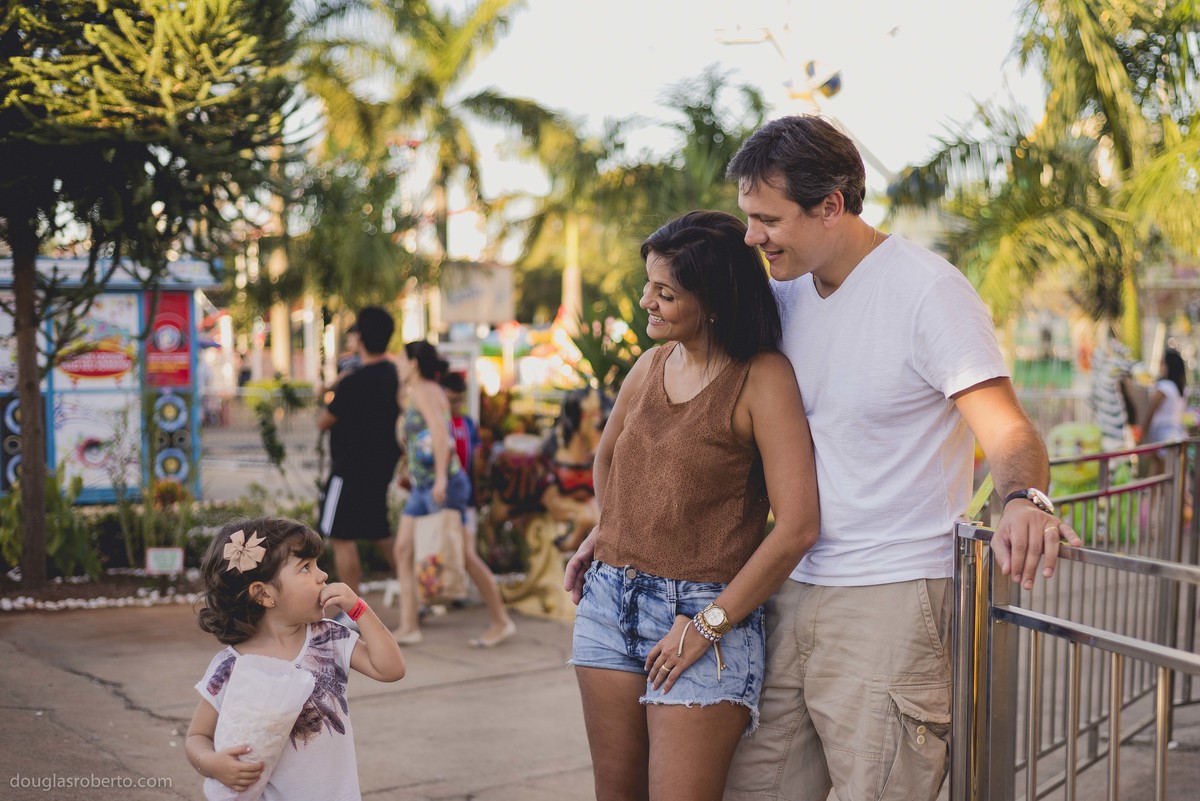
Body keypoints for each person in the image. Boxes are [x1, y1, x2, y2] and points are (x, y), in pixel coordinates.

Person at [710, 114, 1082, 801]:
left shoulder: (926, 292)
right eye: (749, 217)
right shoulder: (783, 291)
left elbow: (1007, 430)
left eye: (767, 218)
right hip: (791, 583)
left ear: (831, 205)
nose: (753, 235)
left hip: (892, 596)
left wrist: (1025, 501)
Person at [563, 210, 821, 801]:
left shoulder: (761, 379)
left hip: (704, 614)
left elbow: (797, 527)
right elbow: (609, 461)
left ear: (712, 300)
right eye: (648, 285)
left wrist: (709, 624)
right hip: (608, 605)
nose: (646, 301)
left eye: (665, 292)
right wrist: (610, 532)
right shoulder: (650, 365)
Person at [185, 517, 405, 799]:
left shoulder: (329, 639)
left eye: (316, 564)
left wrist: (359, 610)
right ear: (263, 594)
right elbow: (197, 737)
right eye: (305, 568)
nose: (322, 575)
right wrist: (212, 764)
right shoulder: (231, 667)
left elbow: (391, 669)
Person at [392, 340, 516, 647]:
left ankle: (501, 621)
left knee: (465, 556)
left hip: (441, 486)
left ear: (414, 364)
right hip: (426, 486)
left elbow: (439, 432)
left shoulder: (424, 391)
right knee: (402, 550)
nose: (397, 364)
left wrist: (439, 483)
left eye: (401, 360)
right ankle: (409, 625)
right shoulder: (420, 391)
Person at [316, 306, 402, 599]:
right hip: (381, 466)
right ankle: (420, 595)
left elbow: (324, 421)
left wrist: (334, 388)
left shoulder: (353, 382)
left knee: (341, 536)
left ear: (361, 336)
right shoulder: (392, 374)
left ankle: (351, 611)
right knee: (381, 533)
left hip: (349, 468)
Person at [539, 387, 604, 553]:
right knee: (588, 517)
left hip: (585, 505)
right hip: (558, 504)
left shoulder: (593, 453)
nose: (596, 423)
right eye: (592, 417)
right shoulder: (556, 453)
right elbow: (551, 500)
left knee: (597, 519)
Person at [439, 371, 483, 532]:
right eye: (452, 401)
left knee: (466, 541)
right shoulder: (439, 423)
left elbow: (476, 460)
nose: (456, 405)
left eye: (460, 400)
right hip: (445, 495)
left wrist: (476, 490)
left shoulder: (469, 424)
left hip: (467, 495)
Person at [1138, 347, 1188, 474]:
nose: (1160, 367)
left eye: (1162, 363)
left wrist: (1142, 433)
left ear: (1169, 366)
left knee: (1160, 475)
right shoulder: (1180, 389)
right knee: (1172, 477)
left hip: (1163, 437)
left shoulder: (1164, 387)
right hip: (1177, 434)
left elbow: (1150, 412)